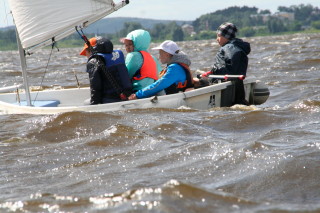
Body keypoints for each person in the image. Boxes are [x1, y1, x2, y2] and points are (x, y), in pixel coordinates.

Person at [196, 22, 251, 105]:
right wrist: (212, 71)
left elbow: (231, 68)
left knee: (197, 82)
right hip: (236, 83)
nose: (216, 39)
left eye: (218, 36)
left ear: (226, 37)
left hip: (225, 84)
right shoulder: (236, 46)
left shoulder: (229, 48)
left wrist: (214, 71)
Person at [128, 40, 194, 100]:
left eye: (160, 54)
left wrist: (137, 95)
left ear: (167, 54)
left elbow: (159, 85)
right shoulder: (177, 66)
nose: (159, 57)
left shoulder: (175, 68)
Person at [80, 36, 132, 104]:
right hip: (128, 96)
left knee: (85, 103)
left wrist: (94, 105)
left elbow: (96, 87)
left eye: (85, 52)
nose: (86, 55)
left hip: (110, 99)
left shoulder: (93, 61)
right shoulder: (118, 54)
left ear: (89, 50)